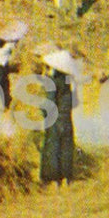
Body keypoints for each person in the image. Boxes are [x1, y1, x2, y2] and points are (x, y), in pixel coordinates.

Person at [39, 49, 79, 188]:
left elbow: (49, 103)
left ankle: (53, 180)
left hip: (54, 120)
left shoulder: (52, 82)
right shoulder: (68, 82)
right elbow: (75, 102)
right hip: (66, 119)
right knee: (66, 148)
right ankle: (66, 179)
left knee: (52, 148)